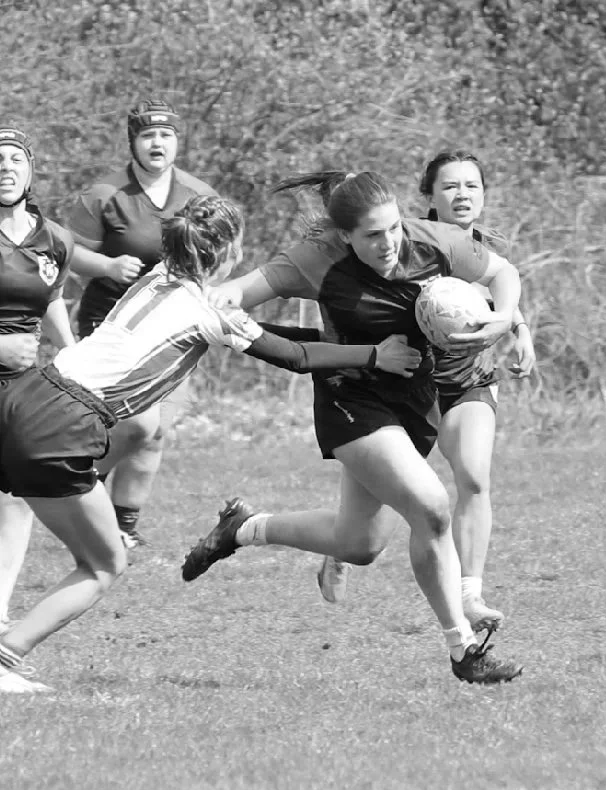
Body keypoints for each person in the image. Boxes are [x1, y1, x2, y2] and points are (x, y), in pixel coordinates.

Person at [0, 193, 420, 694]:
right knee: (103, 564)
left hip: (26, 395)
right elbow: (295, 355)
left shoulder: (155, 279)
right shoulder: (206, 309)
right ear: (229, 251)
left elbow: (270, 335)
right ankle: (6, 656)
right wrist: (375, 355)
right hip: (65, 423)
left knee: (105, 462)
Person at [181, 170, 524, 685]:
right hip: (351, 400)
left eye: (394, 229)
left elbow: (503, 272)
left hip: (414, 401)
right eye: (372, 235)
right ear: (345, 235)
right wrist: (198, 298)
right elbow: (235, 294)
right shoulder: (315, 259)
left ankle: (242, 528)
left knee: (359, 543)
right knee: (432, 507)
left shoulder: (435, 242)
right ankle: (464, 649)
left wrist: (506, 316)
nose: (389, 244)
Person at [317, 151, 537, 631]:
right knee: (372, 525)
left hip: (468, 379)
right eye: (450, 186)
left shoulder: (482, 246)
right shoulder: (411, 243)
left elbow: (499, 285)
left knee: (473, 476)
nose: (463, 195)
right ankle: (341, 547)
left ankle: (470, 594)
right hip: (407, 388)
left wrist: (517, 328)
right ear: (429, 195)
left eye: (472, 186)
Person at [67, 97, 218, 548]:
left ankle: (124, 528)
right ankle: (79, 489)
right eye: (148, 135)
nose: (157, 143)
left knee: (156, 430)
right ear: (132, 142)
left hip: (174, 331)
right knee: (129, 424)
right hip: (111, 325)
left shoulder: (200, 196)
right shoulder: (103, 195)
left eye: (166, 135)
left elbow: (223, 256)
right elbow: (68, 254)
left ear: (178, 141)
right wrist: (108, 267)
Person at [0, 126, 76, 634]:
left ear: (31, 171)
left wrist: (71, 354)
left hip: (20, 387)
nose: (5, 168)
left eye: (15, 159)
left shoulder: (55, 239)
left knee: (14, 496)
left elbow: (50, 300)